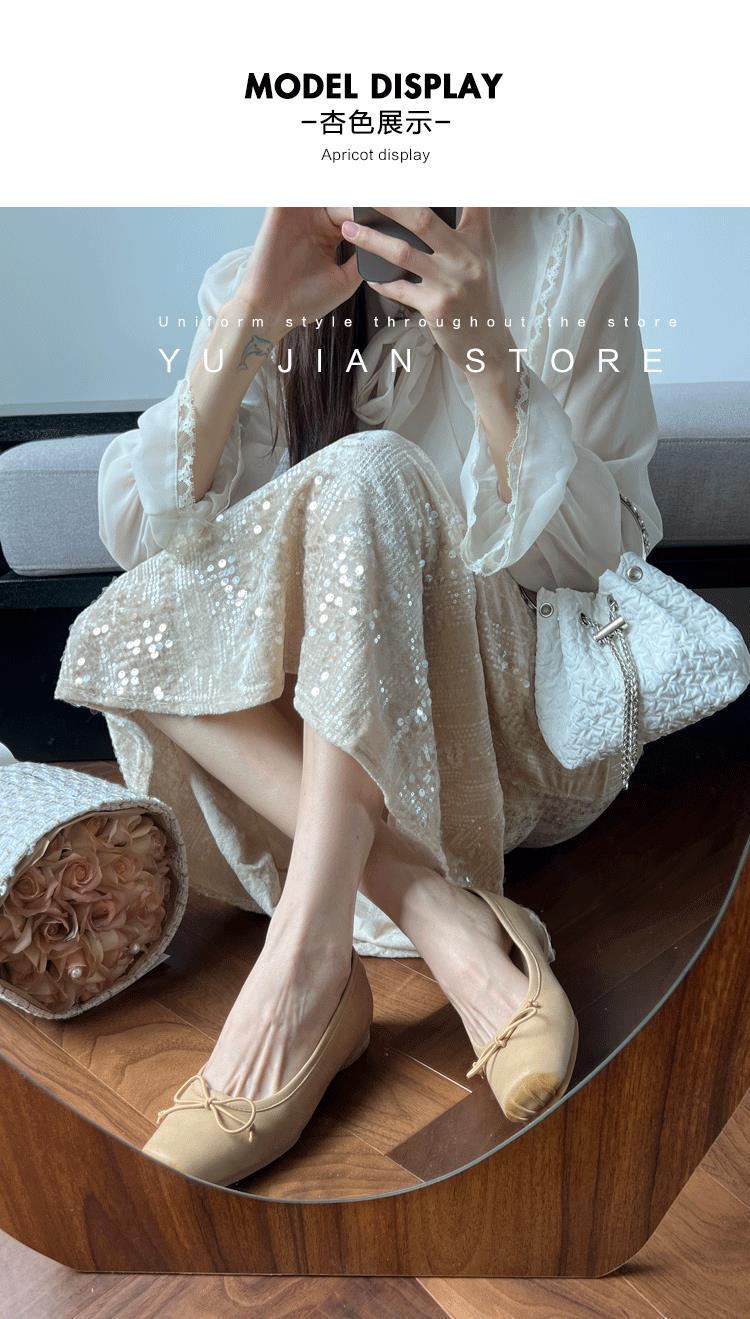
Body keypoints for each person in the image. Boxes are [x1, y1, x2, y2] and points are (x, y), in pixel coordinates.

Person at [55, 207, 663, 1187]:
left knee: (370, 468)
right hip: (336, 757)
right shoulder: (267, 270)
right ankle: (440, 916)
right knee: (124, 620)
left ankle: (302, 970)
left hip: (511, 733)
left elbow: (604, 565)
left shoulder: (578, 243)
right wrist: (254, 314)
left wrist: (487, 357)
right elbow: (142, 542)